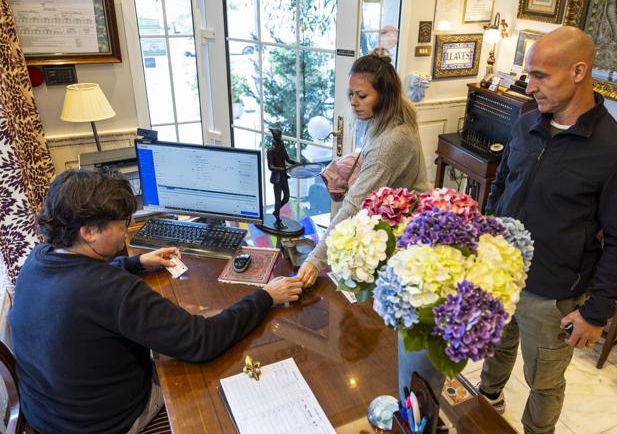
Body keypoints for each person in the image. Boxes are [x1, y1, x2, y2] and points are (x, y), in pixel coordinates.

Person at [10, 169, 303, 434]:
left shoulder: (39, 259)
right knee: (215, 374)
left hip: (49, 415)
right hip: (106, 423)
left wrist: (135, 262)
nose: (127, 230)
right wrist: (265, 296)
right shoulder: (114, 291)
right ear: (88, 232)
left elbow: (83, 284)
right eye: (122, 222)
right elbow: (202, 341)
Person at [478, 26, 617, 434]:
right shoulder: (526, 123)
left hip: (552, 294)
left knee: (545, 380)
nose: (529, 85)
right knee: (495, 347)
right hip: (502, 274)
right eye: (528, 74)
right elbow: (503, 183)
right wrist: (485, 237)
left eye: (540, 76)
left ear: (578, 71)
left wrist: (595, 312)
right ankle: (484, 402)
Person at [297, 47, 432, 287]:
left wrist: (315, 260)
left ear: (384, 95)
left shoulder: (392, 139)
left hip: (407, 234)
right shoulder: (390, 115)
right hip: (396, 215)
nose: (353, 102)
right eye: (351, 94)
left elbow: (353, 205)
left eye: (361, 95)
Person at [267, 128, 297, 229]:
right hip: (277, 178)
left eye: (280, 136)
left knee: (287, 197)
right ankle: (278, 219)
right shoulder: (270, 150)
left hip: (284, 176)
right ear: (274, 137)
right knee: (278, 200)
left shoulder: (282, 147)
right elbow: (270, 166)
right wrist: (282, 168)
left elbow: (288, 159)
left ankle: (276, 212)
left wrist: (298, 163)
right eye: (278, 136)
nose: (279, 138)